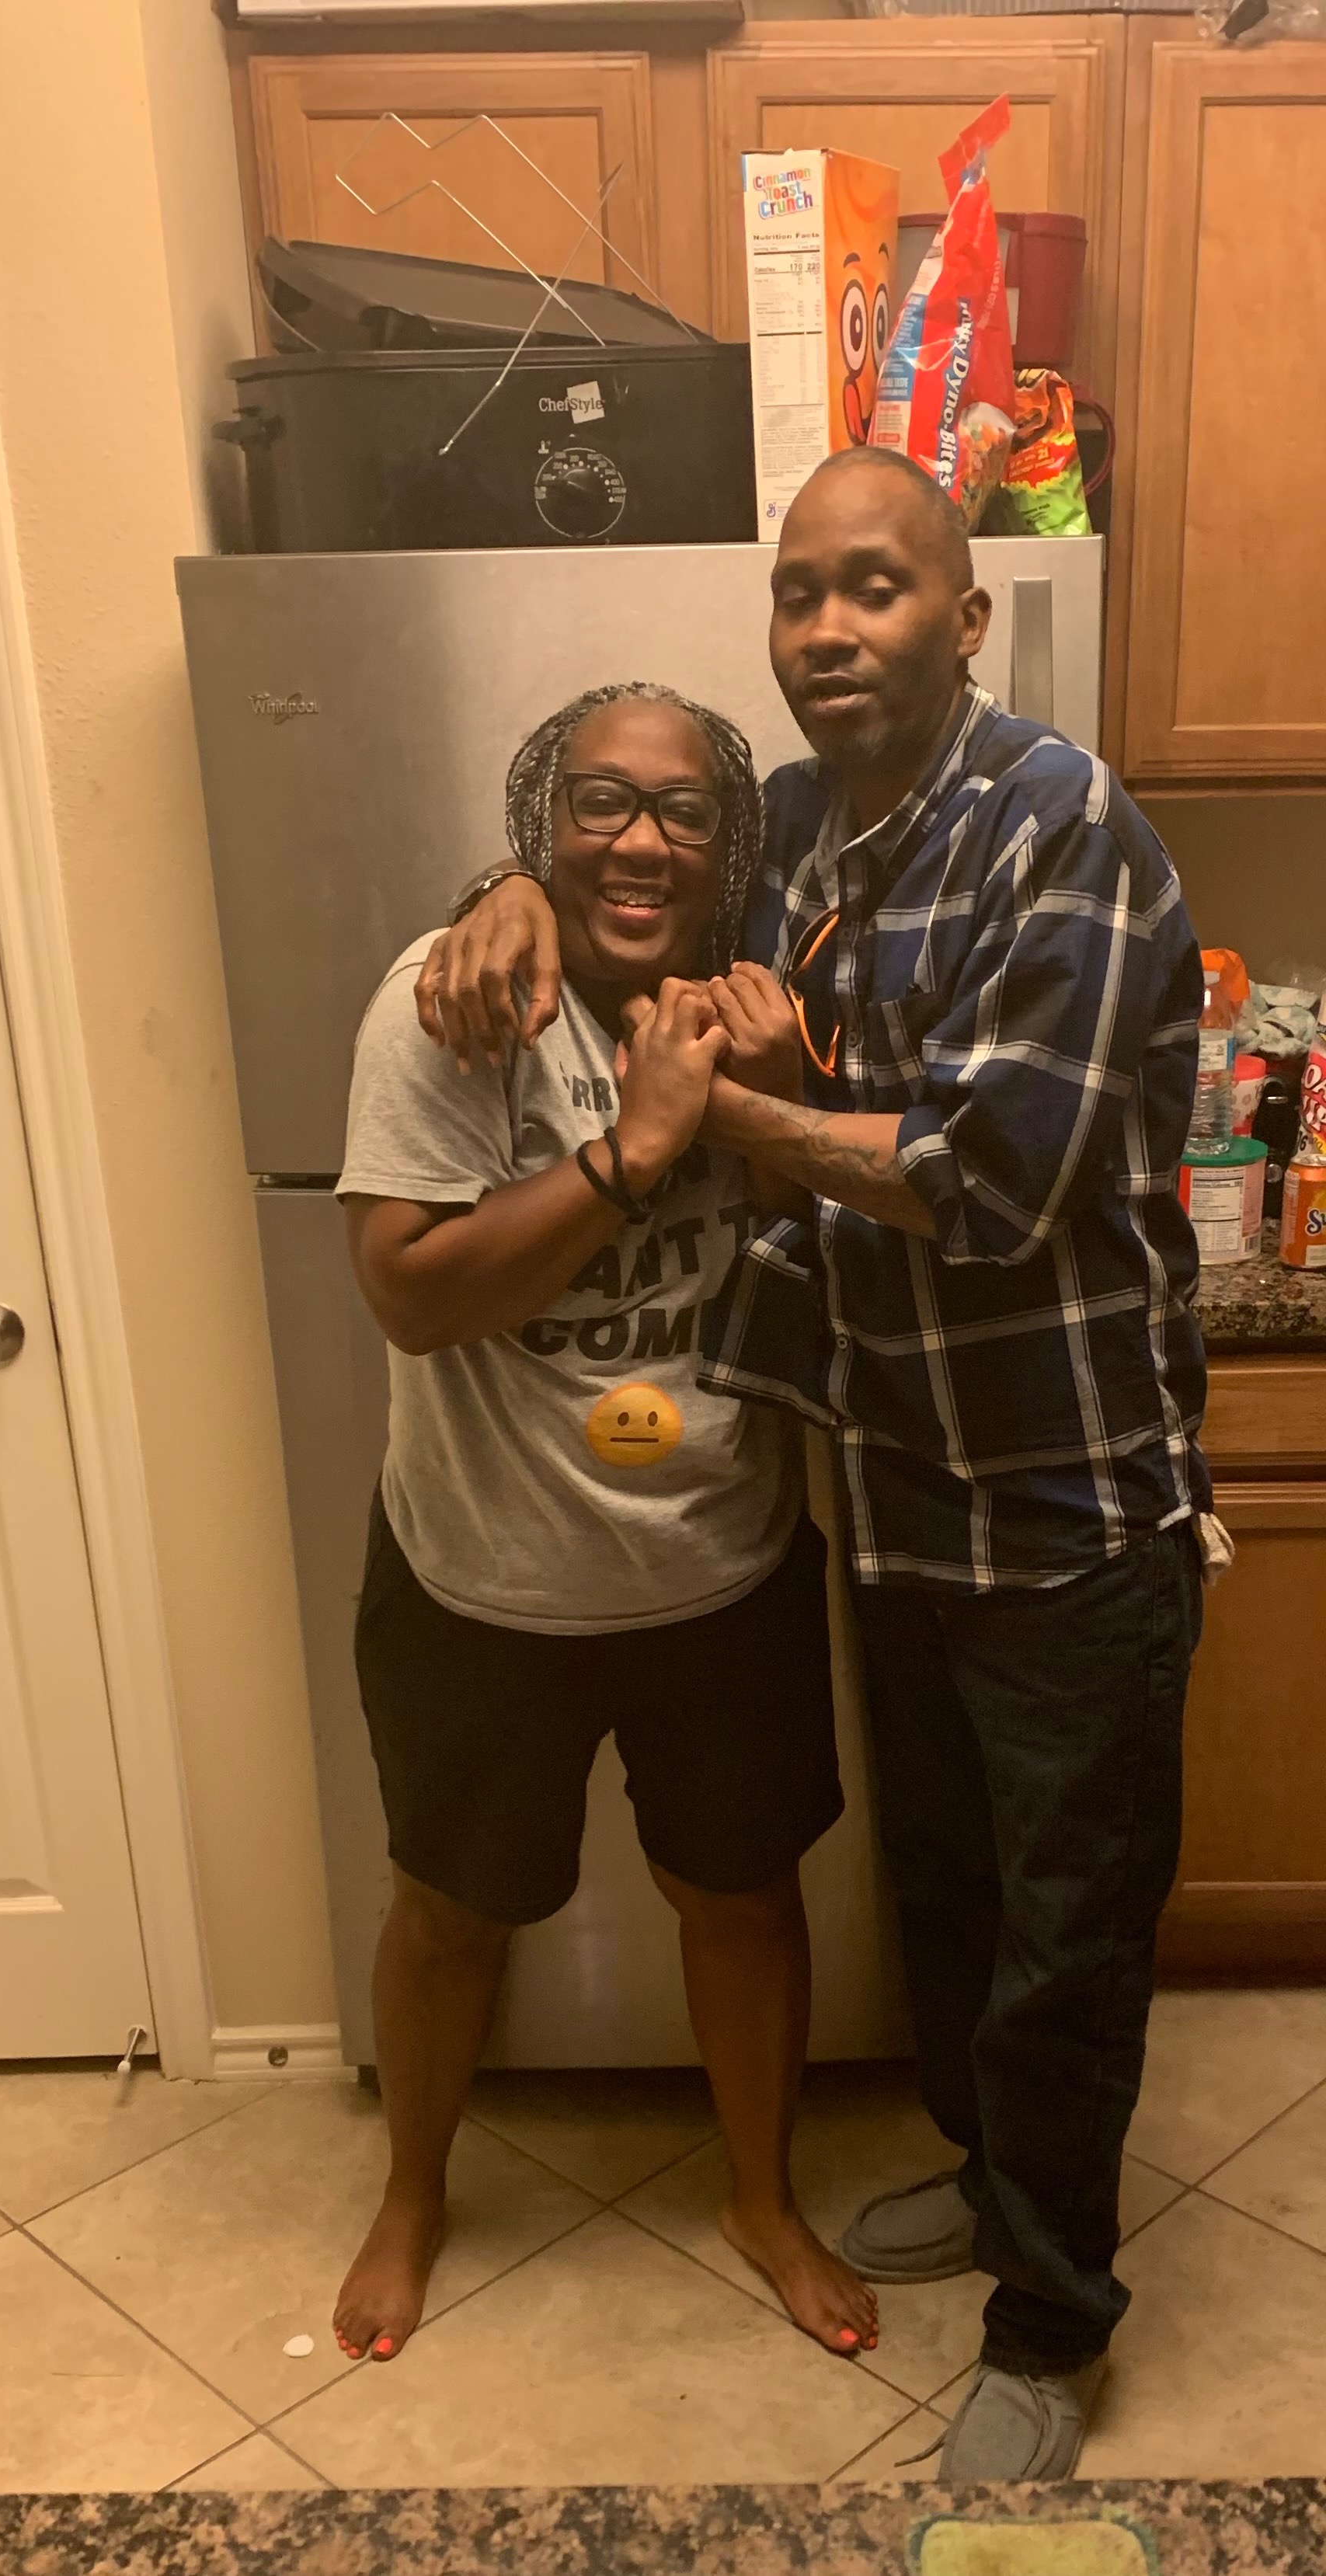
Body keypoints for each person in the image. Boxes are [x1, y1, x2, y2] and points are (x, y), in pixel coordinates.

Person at [412, 447, 1209, 2481]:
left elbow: (991, 1181)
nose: (828, 627)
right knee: (944, 1897)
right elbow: (626, 888)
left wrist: (726, 1120)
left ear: (968, 616)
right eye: (798, 592)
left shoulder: (1059, 826)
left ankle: (1050, 2317)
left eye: (875, 587)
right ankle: (989, 2172)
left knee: (1062, 1938)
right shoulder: (791, 831)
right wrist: (503, 890)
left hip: (1069, 1506)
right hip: (895, 1486)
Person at [334, 681, 879, 2372]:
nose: (641, 840)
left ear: (731, 846)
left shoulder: (762, 999)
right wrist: (632, 1155)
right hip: (478, 1575)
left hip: (721, 1563)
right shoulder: (449, 1000)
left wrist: (772, 1111)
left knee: (742, 1896)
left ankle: (761, 2198)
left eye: (682, 810)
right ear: (539, 824)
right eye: (598, 803)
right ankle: (412, 2193)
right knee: (447, 1910)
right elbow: (410, 1299)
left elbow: (831, 1267)